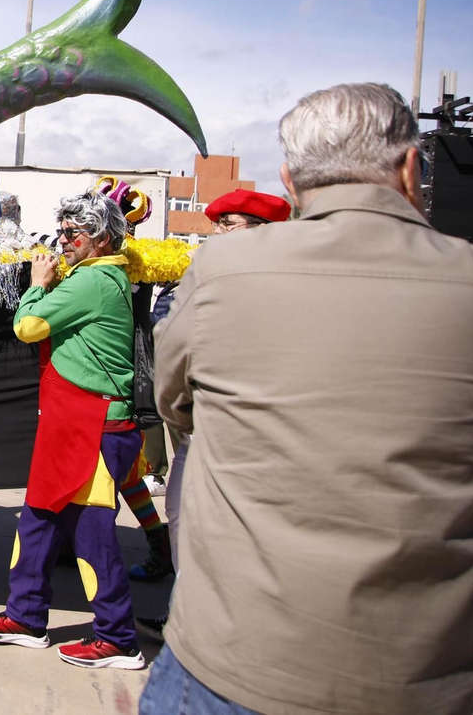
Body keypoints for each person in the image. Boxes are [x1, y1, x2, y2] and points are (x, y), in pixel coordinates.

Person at [142, 83, 473, 715]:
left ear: (290, 179)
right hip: (413, 683)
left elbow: (175, 404)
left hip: (228, 666)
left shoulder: (222, 276)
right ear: (412, 167)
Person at [0, 191, 145, 670]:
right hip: (70, 422)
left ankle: (118, 638)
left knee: (93, 537)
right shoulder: (94, 275)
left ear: (102, 239)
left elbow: (28, 327)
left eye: (74, 234)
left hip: (95, 426)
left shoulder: (94, 281)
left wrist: (37, 283)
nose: (63, 241)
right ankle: (25, 618)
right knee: (38, 519)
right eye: (62, 232)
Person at [133, 187, 291, 640]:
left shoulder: (278, 282)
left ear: (264, 231)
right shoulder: (206, 274)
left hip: (252, 431)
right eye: (218, 224)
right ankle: (188, 618)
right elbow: (171, 344)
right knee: (182, 515)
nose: (218, 232)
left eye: (230, 224)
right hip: (199, 427)